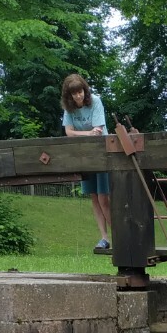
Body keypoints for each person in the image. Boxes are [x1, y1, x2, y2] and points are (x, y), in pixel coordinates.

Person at [61, 73, 112, 255]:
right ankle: (104, 237)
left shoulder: (96, 101)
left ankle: (119, 235)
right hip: (85, 156)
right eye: (74, 93)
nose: (78, 96)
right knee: (94, 197)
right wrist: (87, 134)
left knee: (103, 198)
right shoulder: (69, 108)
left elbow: (98, 131)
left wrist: (86, 133)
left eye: (80, 91)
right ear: (69, 95)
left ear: (85, 90)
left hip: (102, 154)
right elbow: (68, 132)